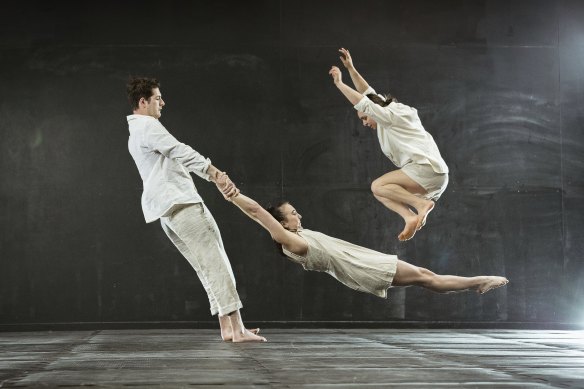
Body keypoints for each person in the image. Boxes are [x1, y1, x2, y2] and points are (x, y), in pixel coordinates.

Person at [126, 77, 265, 342]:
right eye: (157, 98)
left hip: (168, 209)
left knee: (206, 265)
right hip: (182, 204)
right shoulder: (148, 127)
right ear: (143, 102)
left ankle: (227, 327)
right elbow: (181, 151)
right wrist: (215, 173)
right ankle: (238, 330)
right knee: (216, 262)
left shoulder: (136, 132)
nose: (162, 103)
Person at [217, 186, 508, 298]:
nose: (299, 215)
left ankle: (477, 283)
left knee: (425, 278)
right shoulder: (290, 242)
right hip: (361, 267)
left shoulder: (298, 235)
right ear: (282, 223)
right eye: (293, 214)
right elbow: (257, 213)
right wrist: (231, 193)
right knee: (425, 277)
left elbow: (261, 216)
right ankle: (479, 281)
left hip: (361, 262)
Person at [329, 48, 449, 241]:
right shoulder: (391, 111)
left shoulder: (389, 117)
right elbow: (368, 94)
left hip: (426, 170)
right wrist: (351, 68)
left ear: (374, 111)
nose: (365, 123)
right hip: (436, 178)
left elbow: (364, 102)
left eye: (364, 118)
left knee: (378, 186)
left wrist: (339, 84)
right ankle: (410, 216)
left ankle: (419, 205)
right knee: (383, 193)